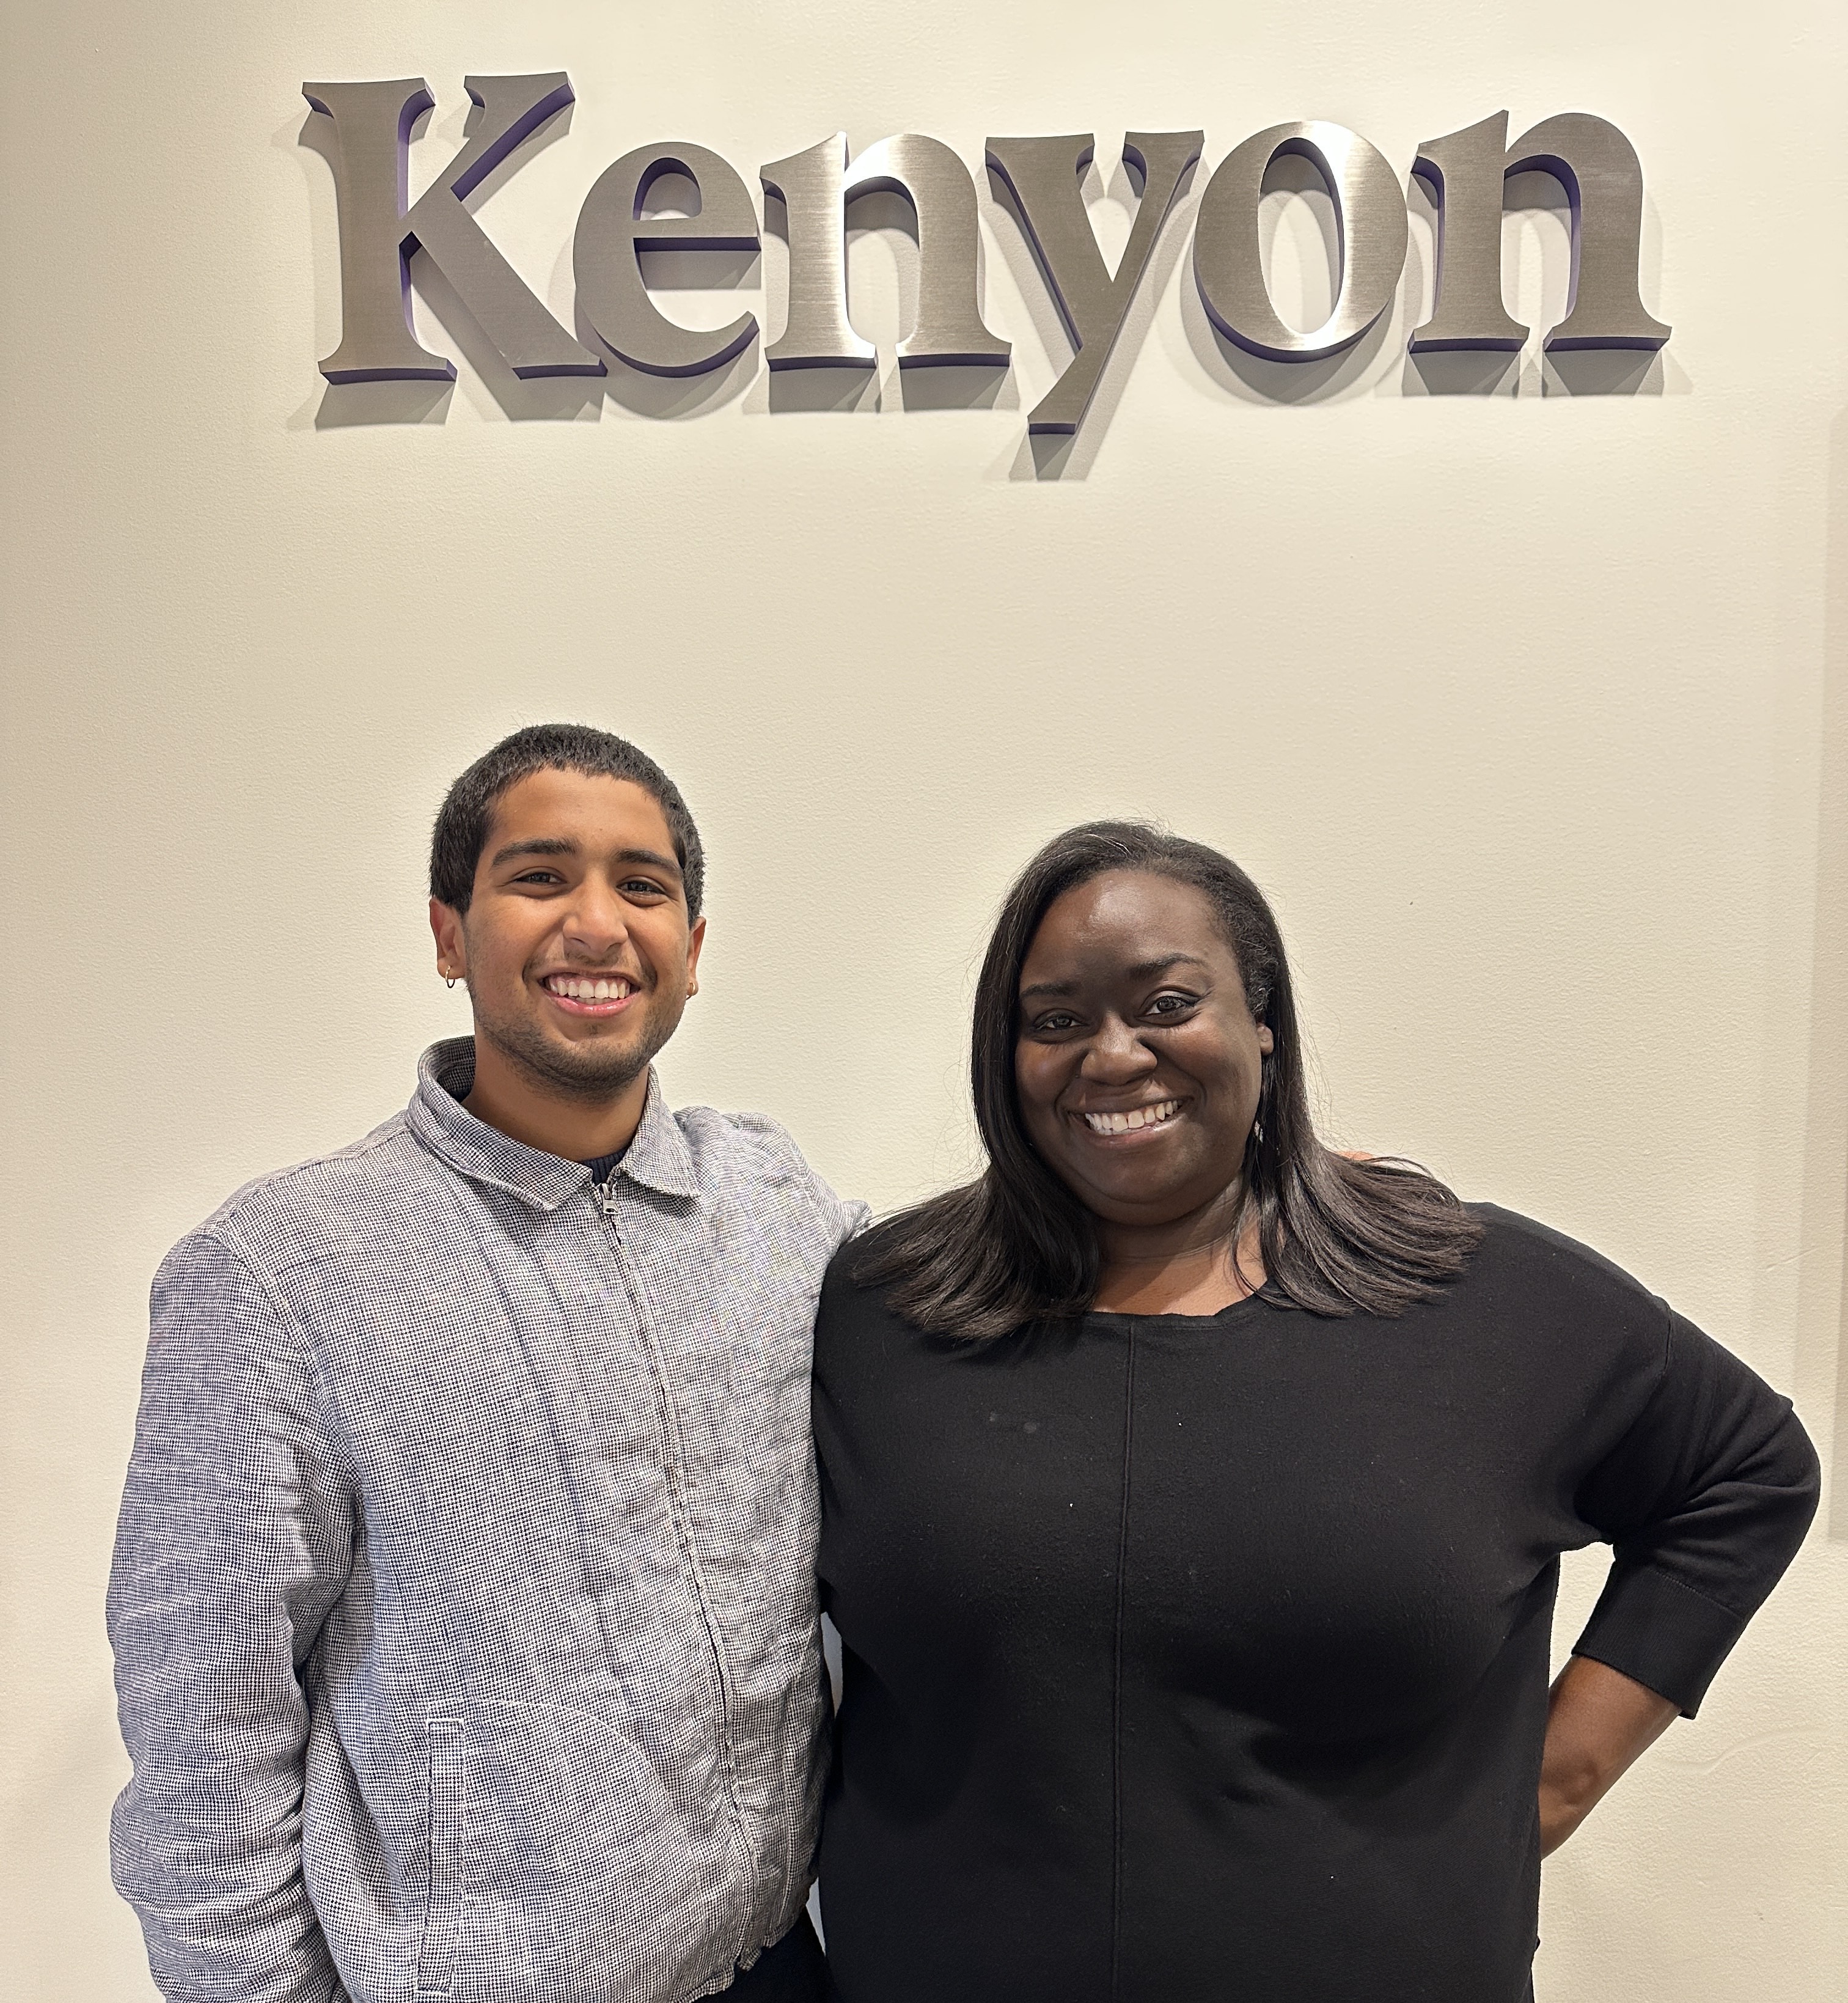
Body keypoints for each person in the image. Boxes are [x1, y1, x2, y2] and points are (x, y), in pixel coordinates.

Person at [810, 820, 1819, 2003]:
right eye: (1056, 1019)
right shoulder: (885, 1310)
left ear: (1264, 1025)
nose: (1113, 1054)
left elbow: (1748, 1468)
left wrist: (1554, 1783)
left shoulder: (1478, 1299)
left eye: (1168, 1002)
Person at [109, 724, 862, 2003]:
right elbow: (202, 1752)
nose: (596, 922)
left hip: (779, 1964)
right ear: (449, 934)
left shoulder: (774, 1200)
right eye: (539, 876)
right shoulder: (280, 1272)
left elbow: (968, 1293)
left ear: (691, 949)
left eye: (641, 885)